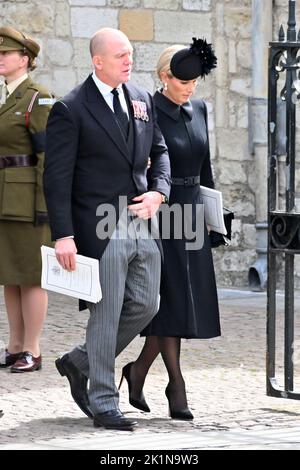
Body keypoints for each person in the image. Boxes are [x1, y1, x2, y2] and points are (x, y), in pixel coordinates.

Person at [44, 28, 170, 431]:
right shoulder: (71, 108)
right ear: (98, 61)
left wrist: (158, 194)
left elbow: (160, 152)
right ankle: (103, 401)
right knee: (107, 310)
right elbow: (57, 177)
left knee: (147, 304)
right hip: (99, 226)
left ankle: (80, 361)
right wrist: (63, 235)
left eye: (130, 53)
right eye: (120, 55)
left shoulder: (142, 99)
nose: (128, 61)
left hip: (140, 220)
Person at [119, 39, 221, 420]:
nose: (190, 87)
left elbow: (206, 165)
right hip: (162, 213)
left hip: (193, 213)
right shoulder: (149, 111)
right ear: (165, 77)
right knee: (168, 300)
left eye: (195, 81)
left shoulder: (200, 108)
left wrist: (216, 218)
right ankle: (176, 386)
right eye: (183, 81)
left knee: (181, 304)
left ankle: (139, 369)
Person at [0, 27, 54, 372]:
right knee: (9, 274)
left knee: (32, 276)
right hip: (4, 198)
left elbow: (49, 156)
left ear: (25, 59)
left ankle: (32, 349)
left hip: (28, 202)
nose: (0, 59)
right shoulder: (7, 98)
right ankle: (15, 344)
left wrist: (44, 206)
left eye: (5, 54)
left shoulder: (39, 97)